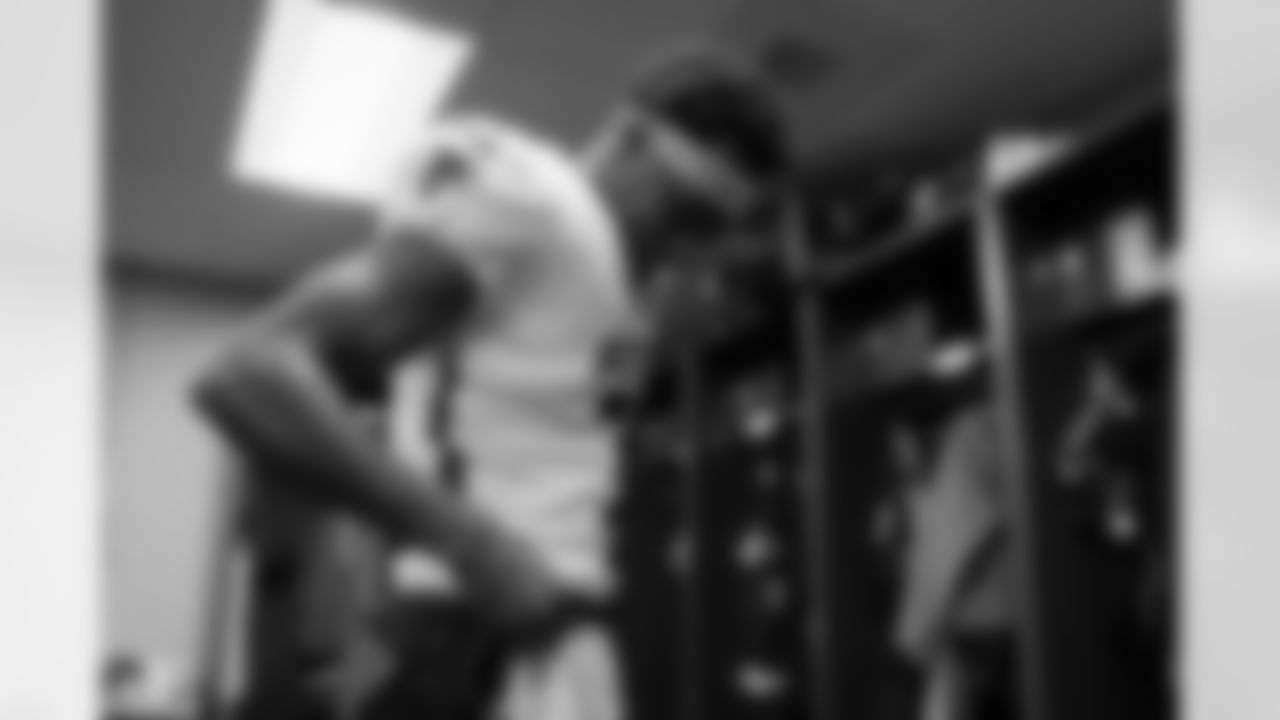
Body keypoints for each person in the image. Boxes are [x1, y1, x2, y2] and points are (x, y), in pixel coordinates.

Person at [192, 45, 789, 720]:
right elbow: (249, 371)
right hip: (466, 632)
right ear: (630, 136)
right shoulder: (536, 202)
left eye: (711, 232)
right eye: (684, 215)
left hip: (557, 631)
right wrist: (474, 546)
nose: (688, 251)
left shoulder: (611, 279)